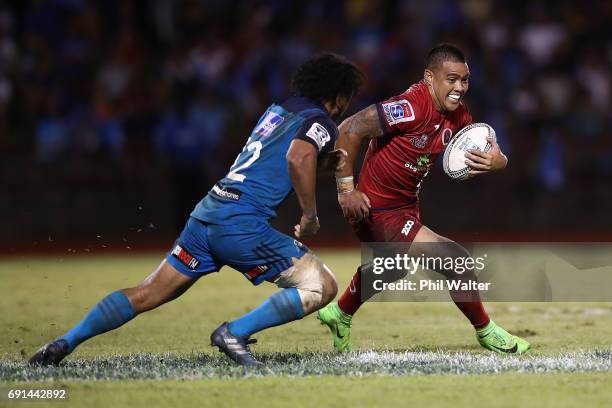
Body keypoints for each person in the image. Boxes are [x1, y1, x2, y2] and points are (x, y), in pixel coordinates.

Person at [29, 52, 364, 367]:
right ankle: (235, 332)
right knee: (322, 285)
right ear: (337, 93)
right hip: (240, 224)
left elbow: (277, 160)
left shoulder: (278, 109)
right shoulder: (321, 120)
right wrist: (309, 215)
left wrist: (319, 164)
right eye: (347, 96)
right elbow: (296, 157)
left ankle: (65, 342)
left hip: (208, 213)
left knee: (147, 293)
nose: (346, 105)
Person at [317, 44, 530, 354]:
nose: (459, 88)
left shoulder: (459, 115)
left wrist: (500, 162)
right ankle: (486, 332)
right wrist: (346, 191)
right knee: (456, 261)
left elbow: (484, 155)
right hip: (376, 209)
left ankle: (339, 314)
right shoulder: (410, 106)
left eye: (465, 80)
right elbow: (349, 129)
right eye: (452, 79)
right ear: (430, 78)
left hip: (405, 206)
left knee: (394, 267)